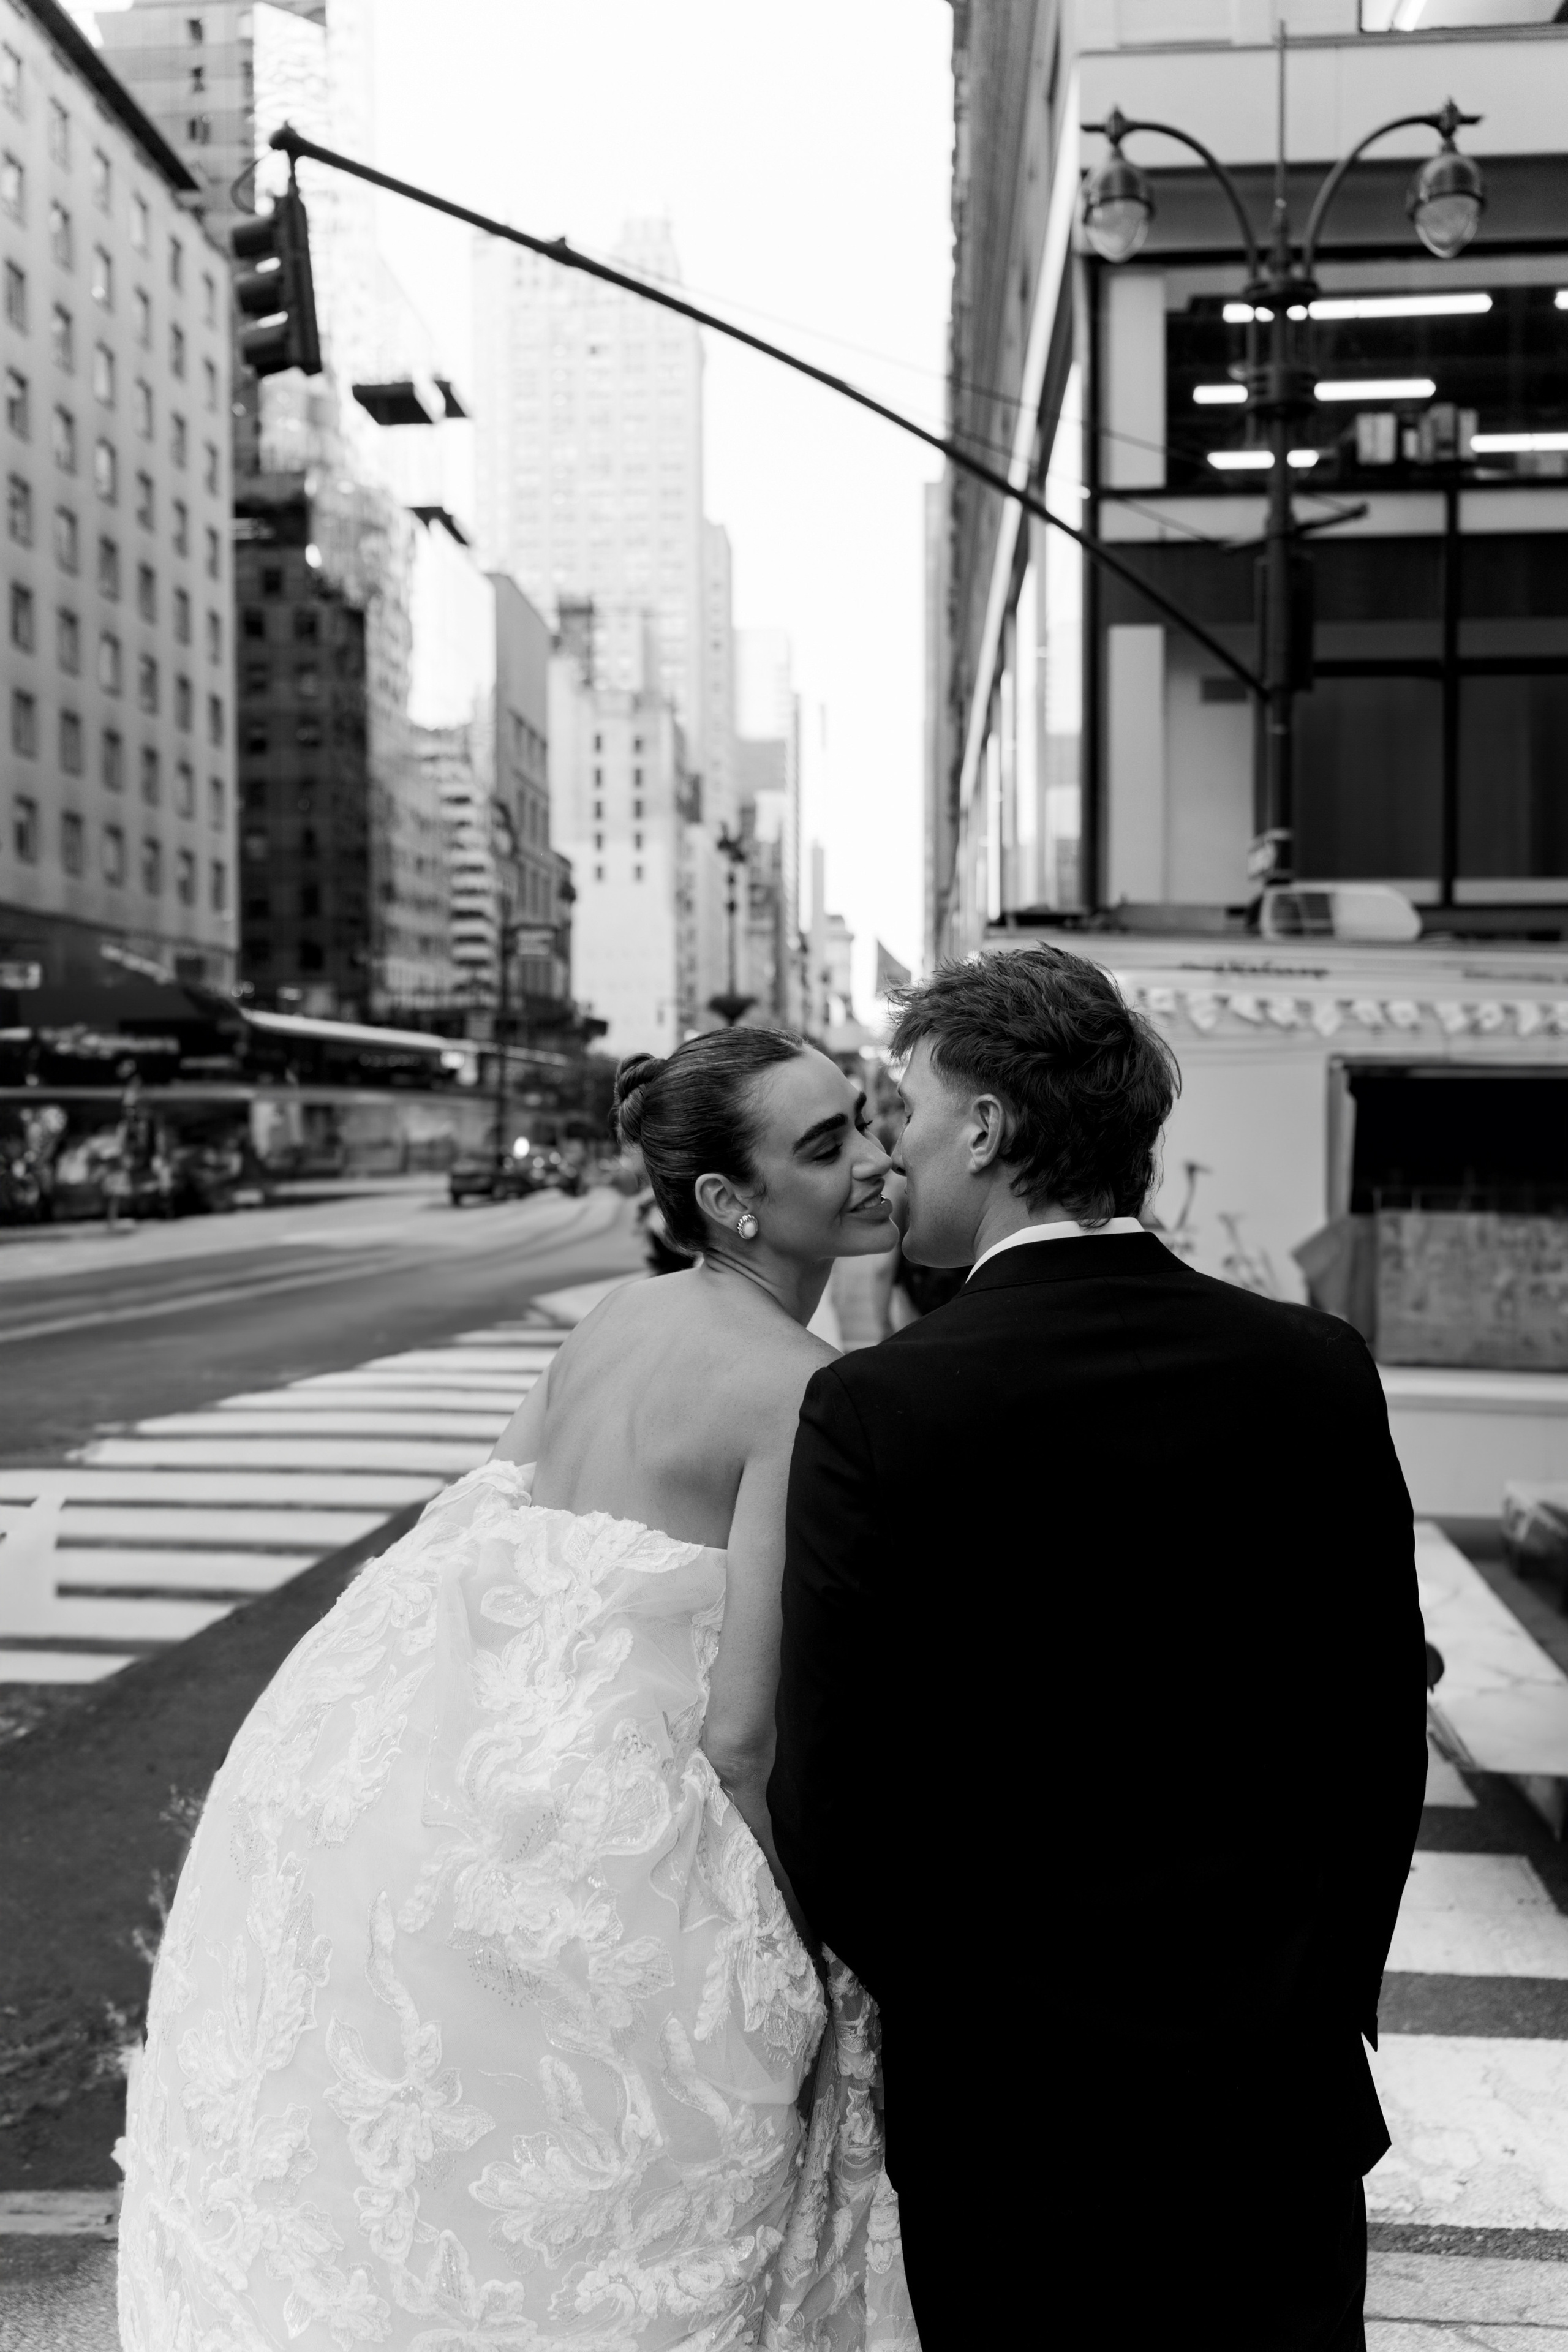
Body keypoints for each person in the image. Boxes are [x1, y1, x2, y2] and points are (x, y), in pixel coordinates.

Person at [118, 1027, 918, 2352]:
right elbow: (740, 1736)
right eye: (826, 1144)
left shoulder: (614, 1320)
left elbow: (472, 1554)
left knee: (468, 2210)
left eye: (868, 1120)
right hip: (646, 1876)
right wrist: (810, 1948)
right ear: (725, 1200)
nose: (878, 1158)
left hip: (478, 1839)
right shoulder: (804, 1389)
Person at [769, 945, 1428, 2351]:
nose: (892, 1148)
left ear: (990, 1129)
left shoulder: (879, 1411)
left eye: (904, 1109)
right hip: (1273, 2095)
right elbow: (1376, 1733)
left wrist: (962, 2023)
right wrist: (1315, 2001)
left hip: (1011, 2112)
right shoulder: (1311, 1367)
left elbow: (829, 1802)